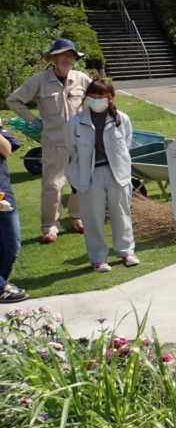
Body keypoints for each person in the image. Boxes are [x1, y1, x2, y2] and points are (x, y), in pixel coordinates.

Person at [7, 38, 91, 242]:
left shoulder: (82, 79)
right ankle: (50, 226)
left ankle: (77, 218)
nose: (68, 59)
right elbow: (13, 100)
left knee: (80, 183)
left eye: (71, 56)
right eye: (63, 55)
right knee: (53, 185)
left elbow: (98, 99)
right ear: (54, 57)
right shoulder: (39, 80)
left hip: (80, 141)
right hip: (54, 141)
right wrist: (34, 120)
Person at [64, 80, 139, 273]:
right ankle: (98, 258)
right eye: (93, 96)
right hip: (90, 175)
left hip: (117, 173)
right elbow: (72, 148)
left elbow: (126, 144)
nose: (97, 100)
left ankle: (126, 251)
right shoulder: (76, 122)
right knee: (92, 217)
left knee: (121, 213)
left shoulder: (121, 119)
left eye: (101, 96)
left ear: (110, 97)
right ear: (87, 96)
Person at [0, 119, 28, 302]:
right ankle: (2, 287)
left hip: (4, 195)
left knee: (12, 246)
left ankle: (3, 282)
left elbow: (8, 149)